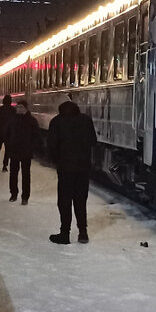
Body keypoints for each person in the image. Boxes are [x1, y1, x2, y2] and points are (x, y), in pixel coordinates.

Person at [45, 97, 97, 244]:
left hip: (65, 168)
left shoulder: (57, 121)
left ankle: (64, 234)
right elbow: (93, 141)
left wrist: (56, 161)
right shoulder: (86, 120)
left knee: (64, 201)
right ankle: (83, 233)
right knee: (81, 201)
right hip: (83, 168)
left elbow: (51, 145)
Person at [5, 99, 38, 204]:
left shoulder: (32, 121)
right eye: (17, 107)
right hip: (14, 150)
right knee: (13, 174)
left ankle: (25, 197)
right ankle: (13, 194)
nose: (18, 109)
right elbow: (6, 133)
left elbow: (36, 136)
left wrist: (32, 147)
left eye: (20, 107)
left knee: (26, 175)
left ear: (26, 108)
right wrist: (9, 144)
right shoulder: (12, 120)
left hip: (26, 151)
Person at [0, 94, 15, 172]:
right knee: (7, 150)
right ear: (10, 101)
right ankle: (5, 165)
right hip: (8, 134)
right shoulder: (13, 110)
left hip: (0, 133)